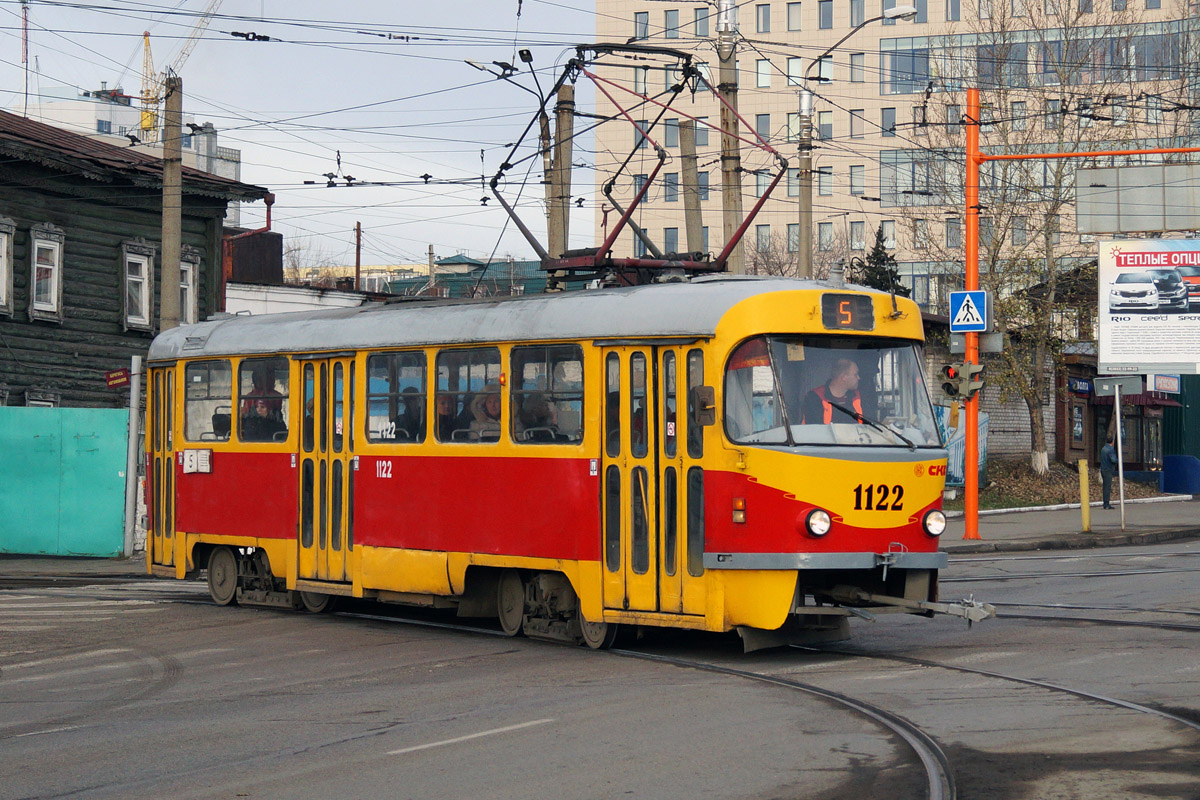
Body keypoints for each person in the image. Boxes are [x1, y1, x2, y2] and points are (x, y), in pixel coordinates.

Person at [802, 358, 864, 424]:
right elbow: (813, 430)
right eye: (855, 374)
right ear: (844, 377)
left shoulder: (859, 396)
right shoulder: (814, 397)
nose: (858, 378)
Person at [1100, 434, 1119, 509]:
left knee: (1105, 487)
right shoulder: (1110, 450)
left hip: (1103, 469)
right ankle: (1106, 504)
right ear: (1112, 441)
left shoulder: (1103, 449)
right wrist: (1118, 460)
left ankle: (1105, 502)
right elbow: (1113, 460)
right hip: (1108, 470)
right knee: (1107, 487)